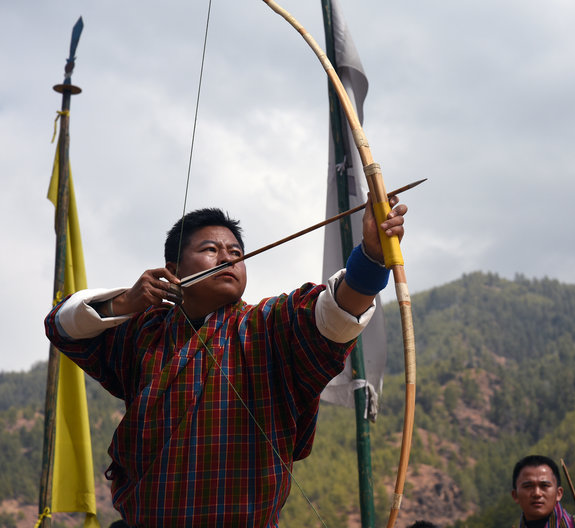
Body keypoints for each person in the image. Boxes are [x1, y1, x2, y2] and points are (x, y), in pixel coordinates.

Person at [45, 197, 407, 527]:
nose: (228, 258)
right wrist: (122, 304)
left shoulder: (269, 324)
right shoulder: (144, 332)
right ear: (173, 269)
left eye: (236, 252)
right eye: (210, 249)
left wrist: (372, 259)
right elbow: (61, 326)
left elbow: (335, 314)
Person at [511, 455, 575, 528]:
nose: (537, 493)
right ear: (515, 496)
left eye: (544, 486)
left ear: (559, 494)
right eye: (528, 486)